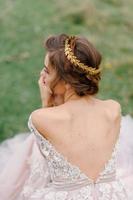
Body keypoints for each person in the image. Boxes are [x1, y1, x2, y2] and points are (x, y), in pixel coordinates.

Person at [0, 33, 133, 200]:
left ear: (67, 81)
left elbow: (39, 171)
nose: (42, 76)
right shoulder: (113, 109)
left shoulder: (42, 119)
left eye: (47, 71)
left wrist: (46, 105)